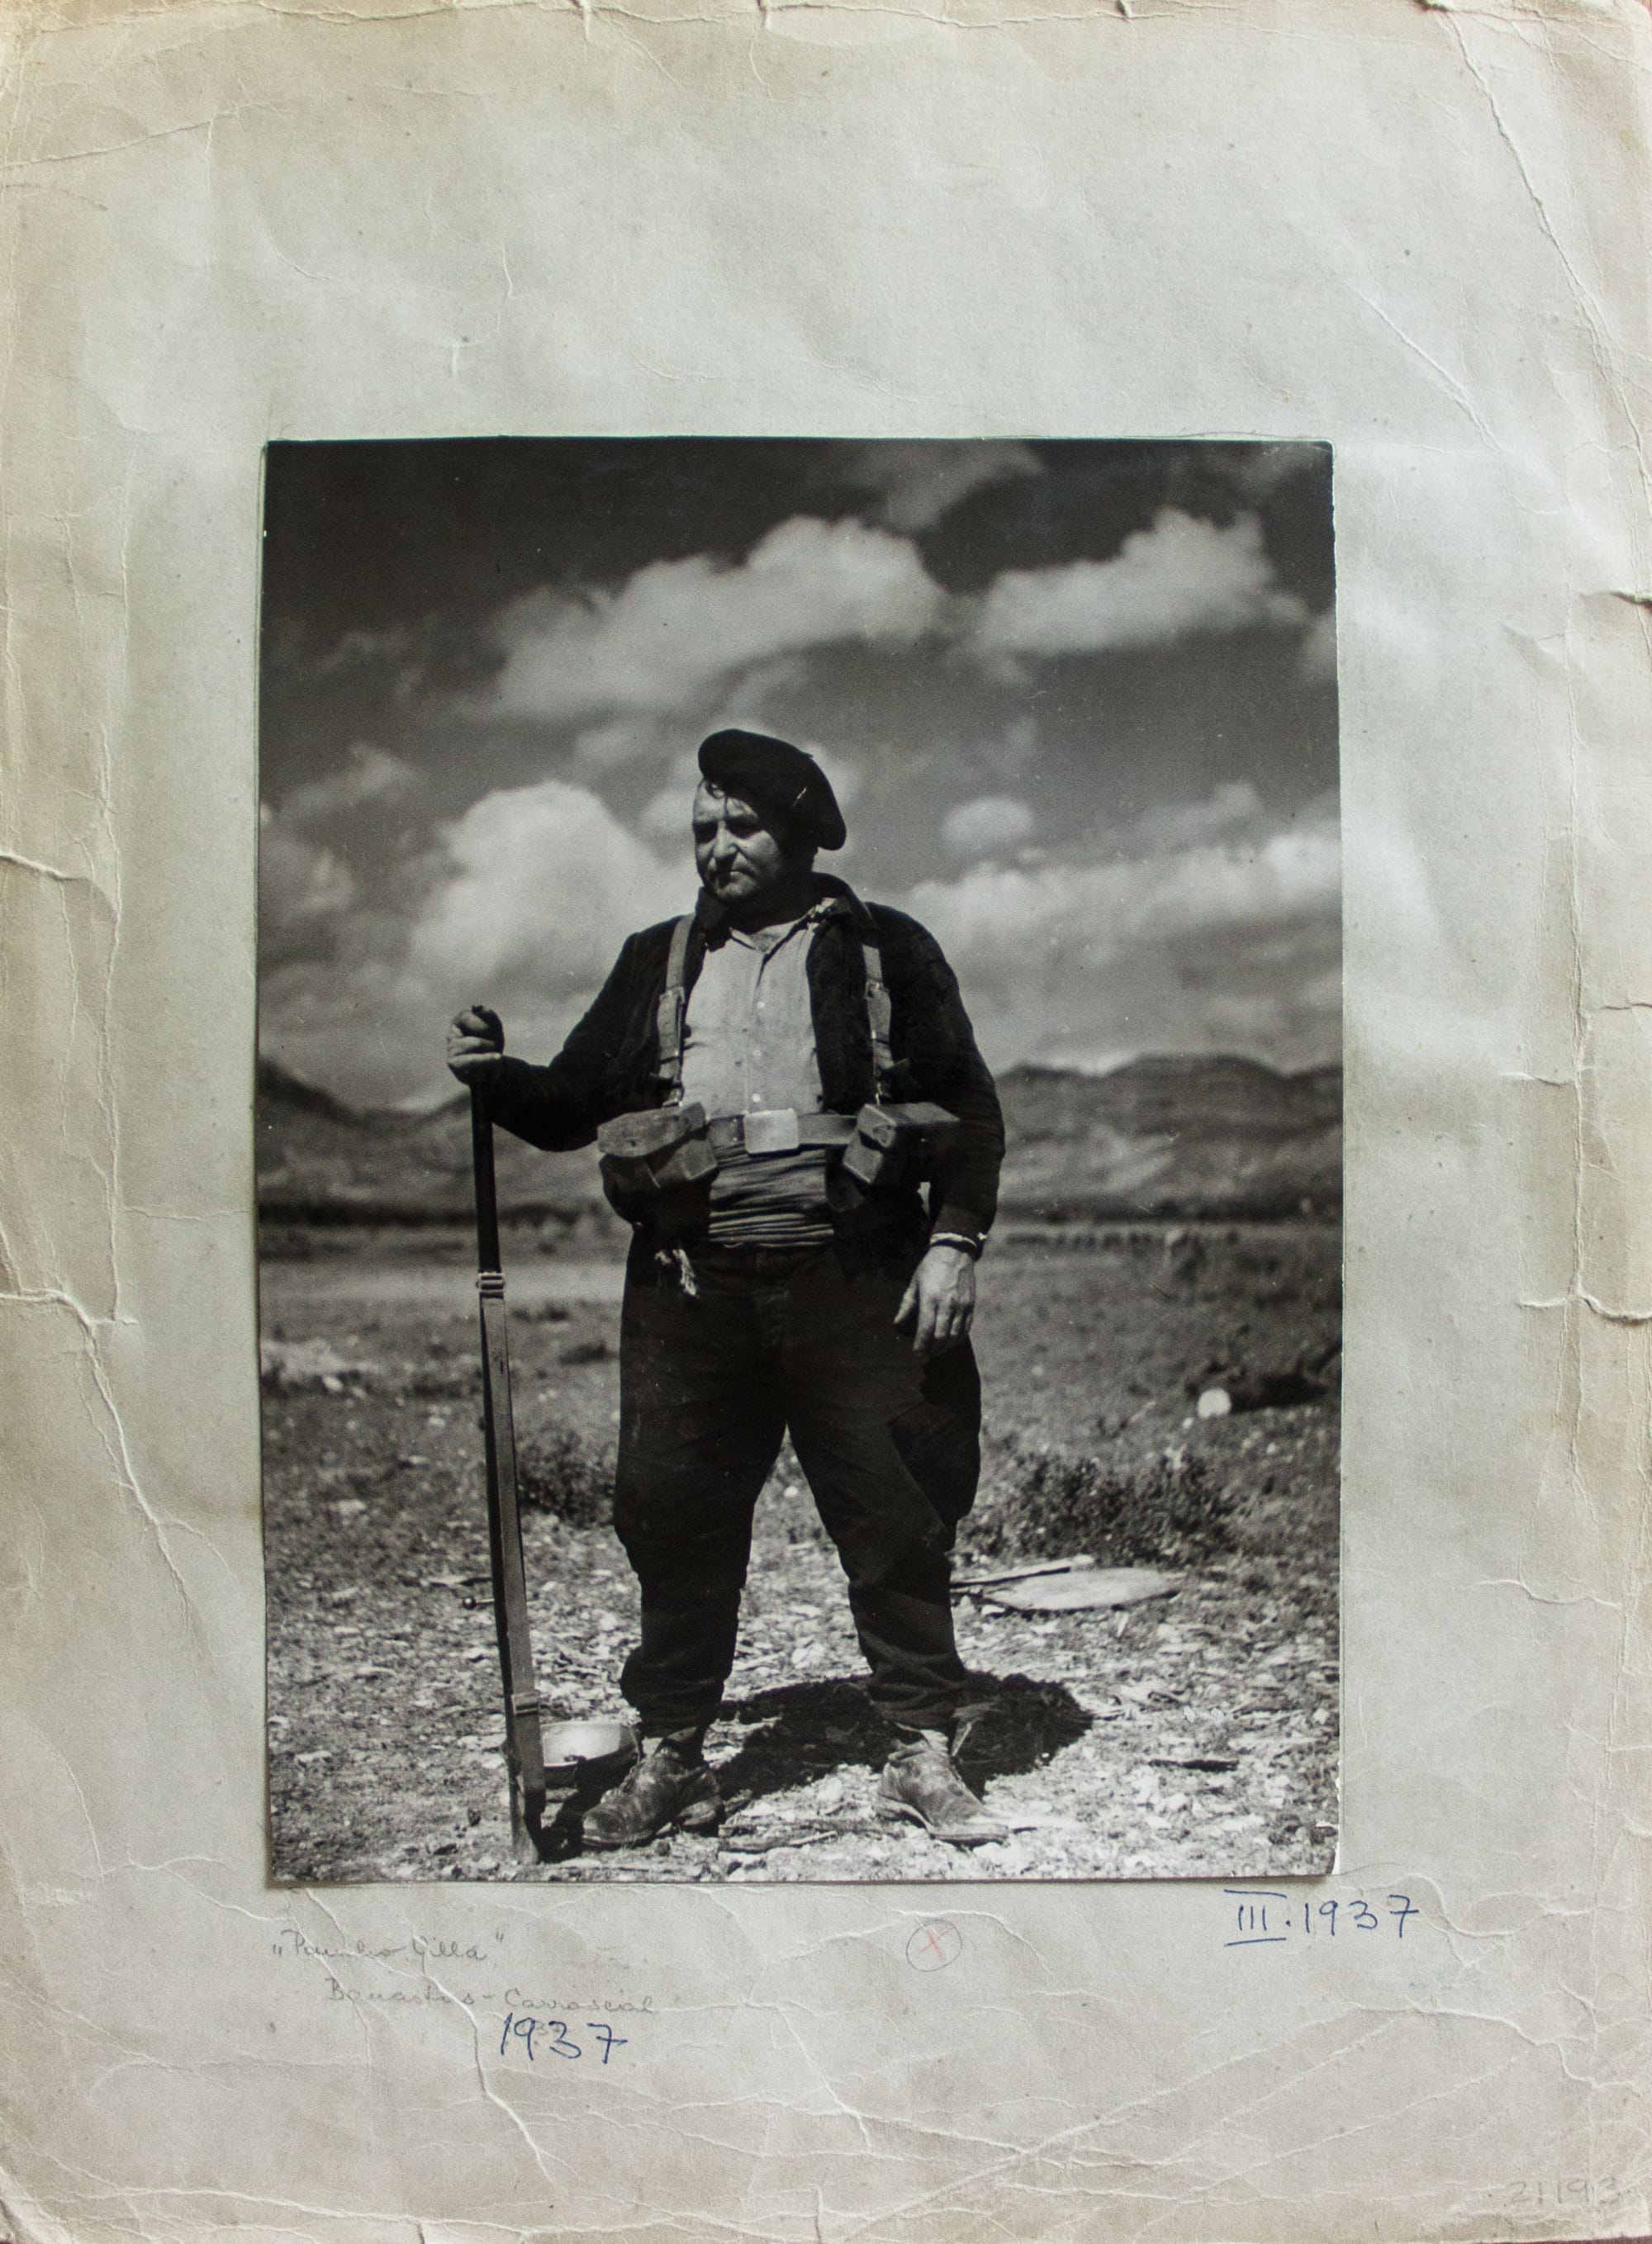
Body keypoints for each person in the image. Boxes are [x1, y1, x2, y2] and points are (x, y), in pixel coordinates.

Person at [447, 728, 1009, 1849]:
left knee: (894, 1507)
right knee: (672, 1512)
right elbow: (568, 1103)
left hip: (857, 1279)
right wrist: (493, 1074)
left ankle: (920, 1747)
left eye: (742, 826)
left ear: (801, 830)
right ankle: (674, 1759)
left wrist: (953, 1242)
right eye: (703, 829)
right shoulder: (659, 959)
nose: (716, 848)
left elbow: (971, 1112)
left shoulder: (887, 953)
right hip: (692, 1286)